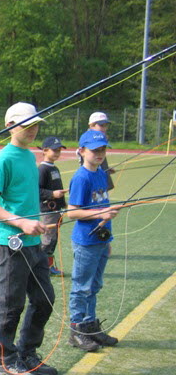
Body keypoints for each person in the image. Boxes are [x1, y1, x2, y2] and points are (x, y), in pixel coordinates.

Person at [0, 102, 57, 375]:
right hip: (10, 241)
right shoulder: (3, 159)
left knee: (44, 299)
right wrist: (22, 222)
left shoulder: (28, 157)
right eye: (27, 126)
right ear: (10, 126)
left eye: (36, 125)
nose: (33, 130)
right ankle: (5, 360)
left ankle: (27, 353)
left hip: (33, 241)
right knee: (11, 303)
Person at [66, 129, 120, 352]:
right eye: (94, 150)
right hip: (86, 242)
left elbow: (100, 203)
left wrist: (107, 236)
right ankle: (77, 330)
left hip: (101, 239)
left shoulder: (100, 173)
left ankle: (90, 325)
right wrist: (101, 215)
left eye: (102, 149)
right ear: (81, 151)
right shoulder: (81, 177)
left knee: (94, 285)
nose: (99, 153)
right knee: (81, 286)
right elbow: (72, 213)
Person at [38, 136, 69, 276]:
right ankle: (40, 267)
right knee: (48, 240)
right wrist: (52, 194)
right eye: (54, 150)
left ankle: (48, 266)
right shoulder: (42, 169)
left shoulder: (54, 168)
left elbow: (58, 188)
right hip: (48, 211)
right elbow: (36, 191)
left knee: (53, 239)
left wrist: (64, 204)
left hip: (57, 210)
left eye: (59, 150)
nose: (57, 153)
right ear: (45, 150)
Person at [77, 112, 115, 191]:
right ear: (91, 125)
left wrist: (106, 168)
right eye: (101, 125)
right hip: (93, 177)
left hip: (101, 174)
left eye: (106, 125)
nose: (104, 128)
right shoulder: (87, 139)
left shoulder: (103, 137)